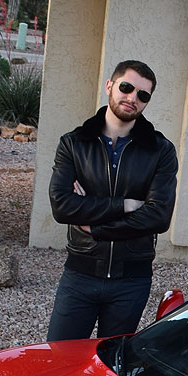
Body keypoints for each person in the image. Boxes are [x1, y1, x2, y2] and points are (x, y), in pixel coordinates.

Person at [46, 60, 178, 341]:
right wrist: (125, 205)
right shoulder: (74, 143)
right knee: (60, 357)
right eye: (126, 87)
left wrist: (94, 226)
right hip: (80, 276)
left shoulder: (161, 151)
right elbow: (62, 205)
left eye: (143, 94)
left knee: (113, 362)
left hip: (131, 281)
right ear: (110, 86)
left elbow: (158, 217)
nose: (132, 98)